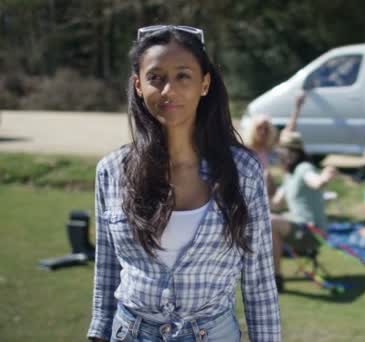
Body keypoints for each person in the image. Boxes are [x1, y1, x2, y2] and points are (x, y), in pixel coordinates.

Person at [87, 25, 280, 342]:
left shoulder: (243, 170)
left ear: (204, 83)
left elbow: (258, 280)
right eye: (156, 78)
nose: (168, 91)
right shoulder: (112, 170)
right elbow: (106, 270)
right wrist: (98, 332)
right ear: (138, 85)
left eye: (183, 76)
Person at [269, 130, 336, 292]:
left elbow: (316, 182)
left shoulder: (304, 168)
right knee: (263, 221)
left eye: (282, 149)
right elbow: (276, 204)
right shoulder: (289, 175)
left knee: (270, 221)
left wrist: (324, 177)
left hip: (312, 232)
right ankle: (268, 277)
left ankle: (275, 278)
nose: (279, 153)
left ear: (293, 151)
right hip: (297, 228)